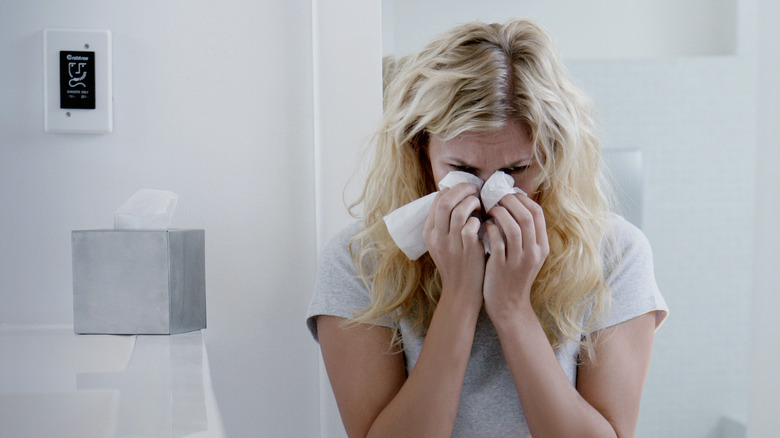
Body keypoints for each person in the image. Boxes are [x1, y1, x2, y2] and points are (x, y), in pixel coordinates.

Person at [306, 19, 668, 438]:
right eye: (462, 170)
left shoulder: (615, 254)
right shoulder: (357, 261)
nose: (490, 193)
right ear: (420, 148)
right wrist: (459, 298)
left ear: (552, 154)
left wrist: (513, 309)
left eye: (516, 169)